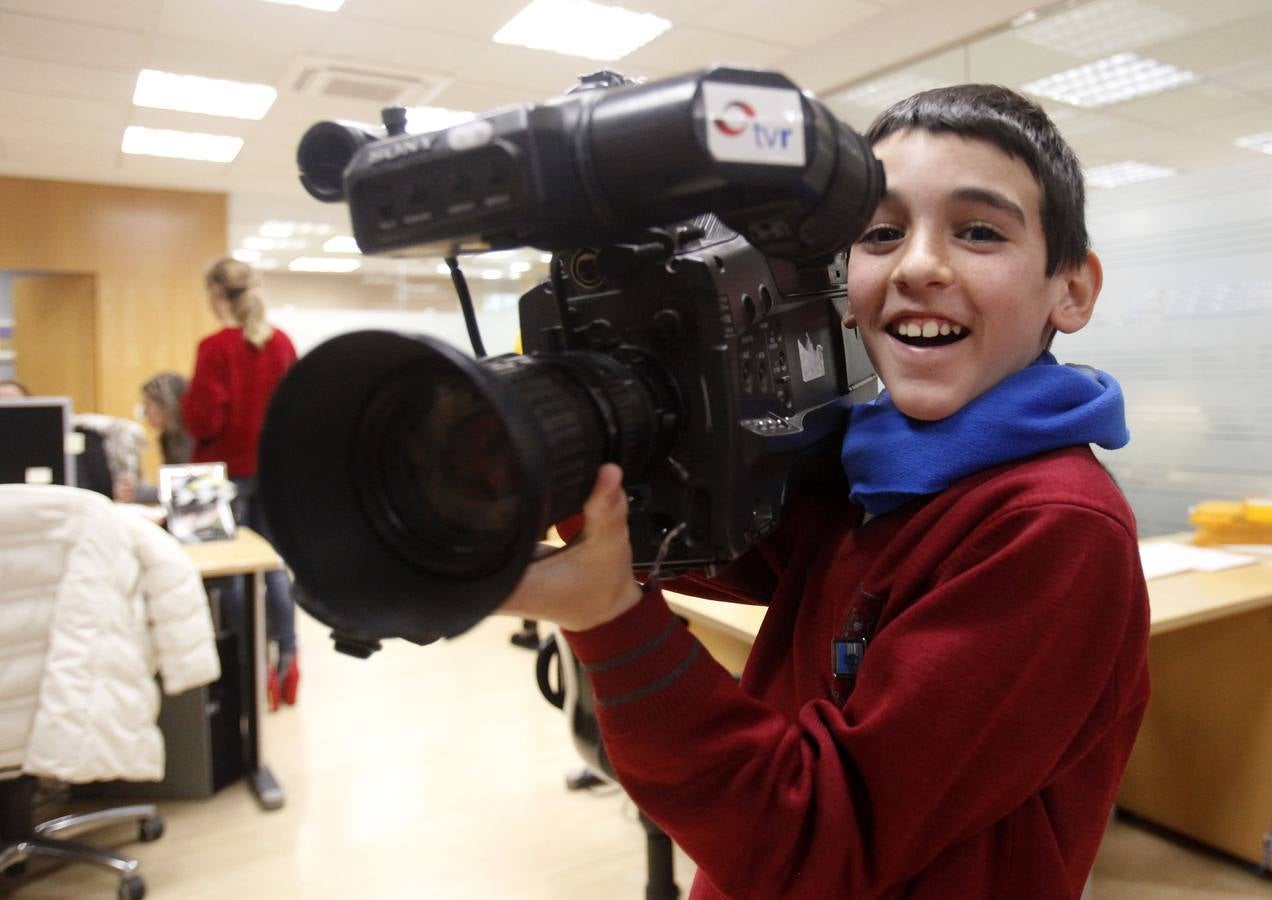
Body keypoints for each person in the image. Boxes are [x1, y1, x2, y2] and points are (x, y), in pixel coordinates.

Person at [498, 84, 1151, 899]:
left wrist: (611, 622)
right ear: (847, 281)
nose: (917, 266)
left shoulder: (1053, 530)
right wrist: (563, 447)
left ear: (1072, 290)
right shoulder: (876, 470)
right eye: (880, 233)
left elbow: (817, 840)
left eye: (979, 231)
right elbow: (704, 542)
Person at [182, 257, 300, 710]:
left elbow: (203, 419)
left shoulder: (215, 348)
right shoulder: (282, 344)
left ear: (216, 294)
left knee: (227, 574)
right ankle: (287, 664)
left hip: (217, 476)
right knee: (273, 568)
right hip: (273, 471)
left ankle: (246, 668)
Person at [114, 371, 192, 504]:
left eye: (148, 404)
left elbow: (191, 489)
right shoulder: (168, 437)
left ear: (166, 405)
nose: (144, 411)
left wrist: (141, 493)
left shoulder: (191, 437)